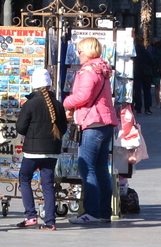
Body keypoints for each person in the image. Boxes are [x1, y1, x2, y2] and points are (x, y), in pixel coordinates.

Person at [62, 36, 118, 224]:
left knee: (87, 167)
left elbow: (83, 95)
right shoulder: (102, 69)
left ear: (88, 51)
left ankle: (92, 212)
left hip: (92, 123)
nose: (78, 55)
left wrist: (67, 102)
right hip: (105, 122)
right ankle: (104, 212)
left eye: (80, 51)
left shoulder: (88, 71)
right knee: (101, 168)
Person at [14, 66, 66, 231]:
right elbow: (63, 128)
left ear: (34, 84)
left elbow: (21, 128)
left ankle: (31, 215)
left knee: (24, 178)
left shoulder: (30, 104)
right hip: (52, 150)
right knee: (48, 184)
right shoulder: (57, 105)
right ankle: (50, 221)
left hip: (32, 151)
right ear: (50, 84)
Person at [131, 41, 153, 115]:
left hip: (137, 73)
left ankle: (138, 109)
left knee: (137, 91)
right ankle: (147, 108)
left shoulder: (134, 53)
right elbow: (152, 61)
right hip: (146, 73)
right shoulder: (146, 52)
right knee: (147, 91)